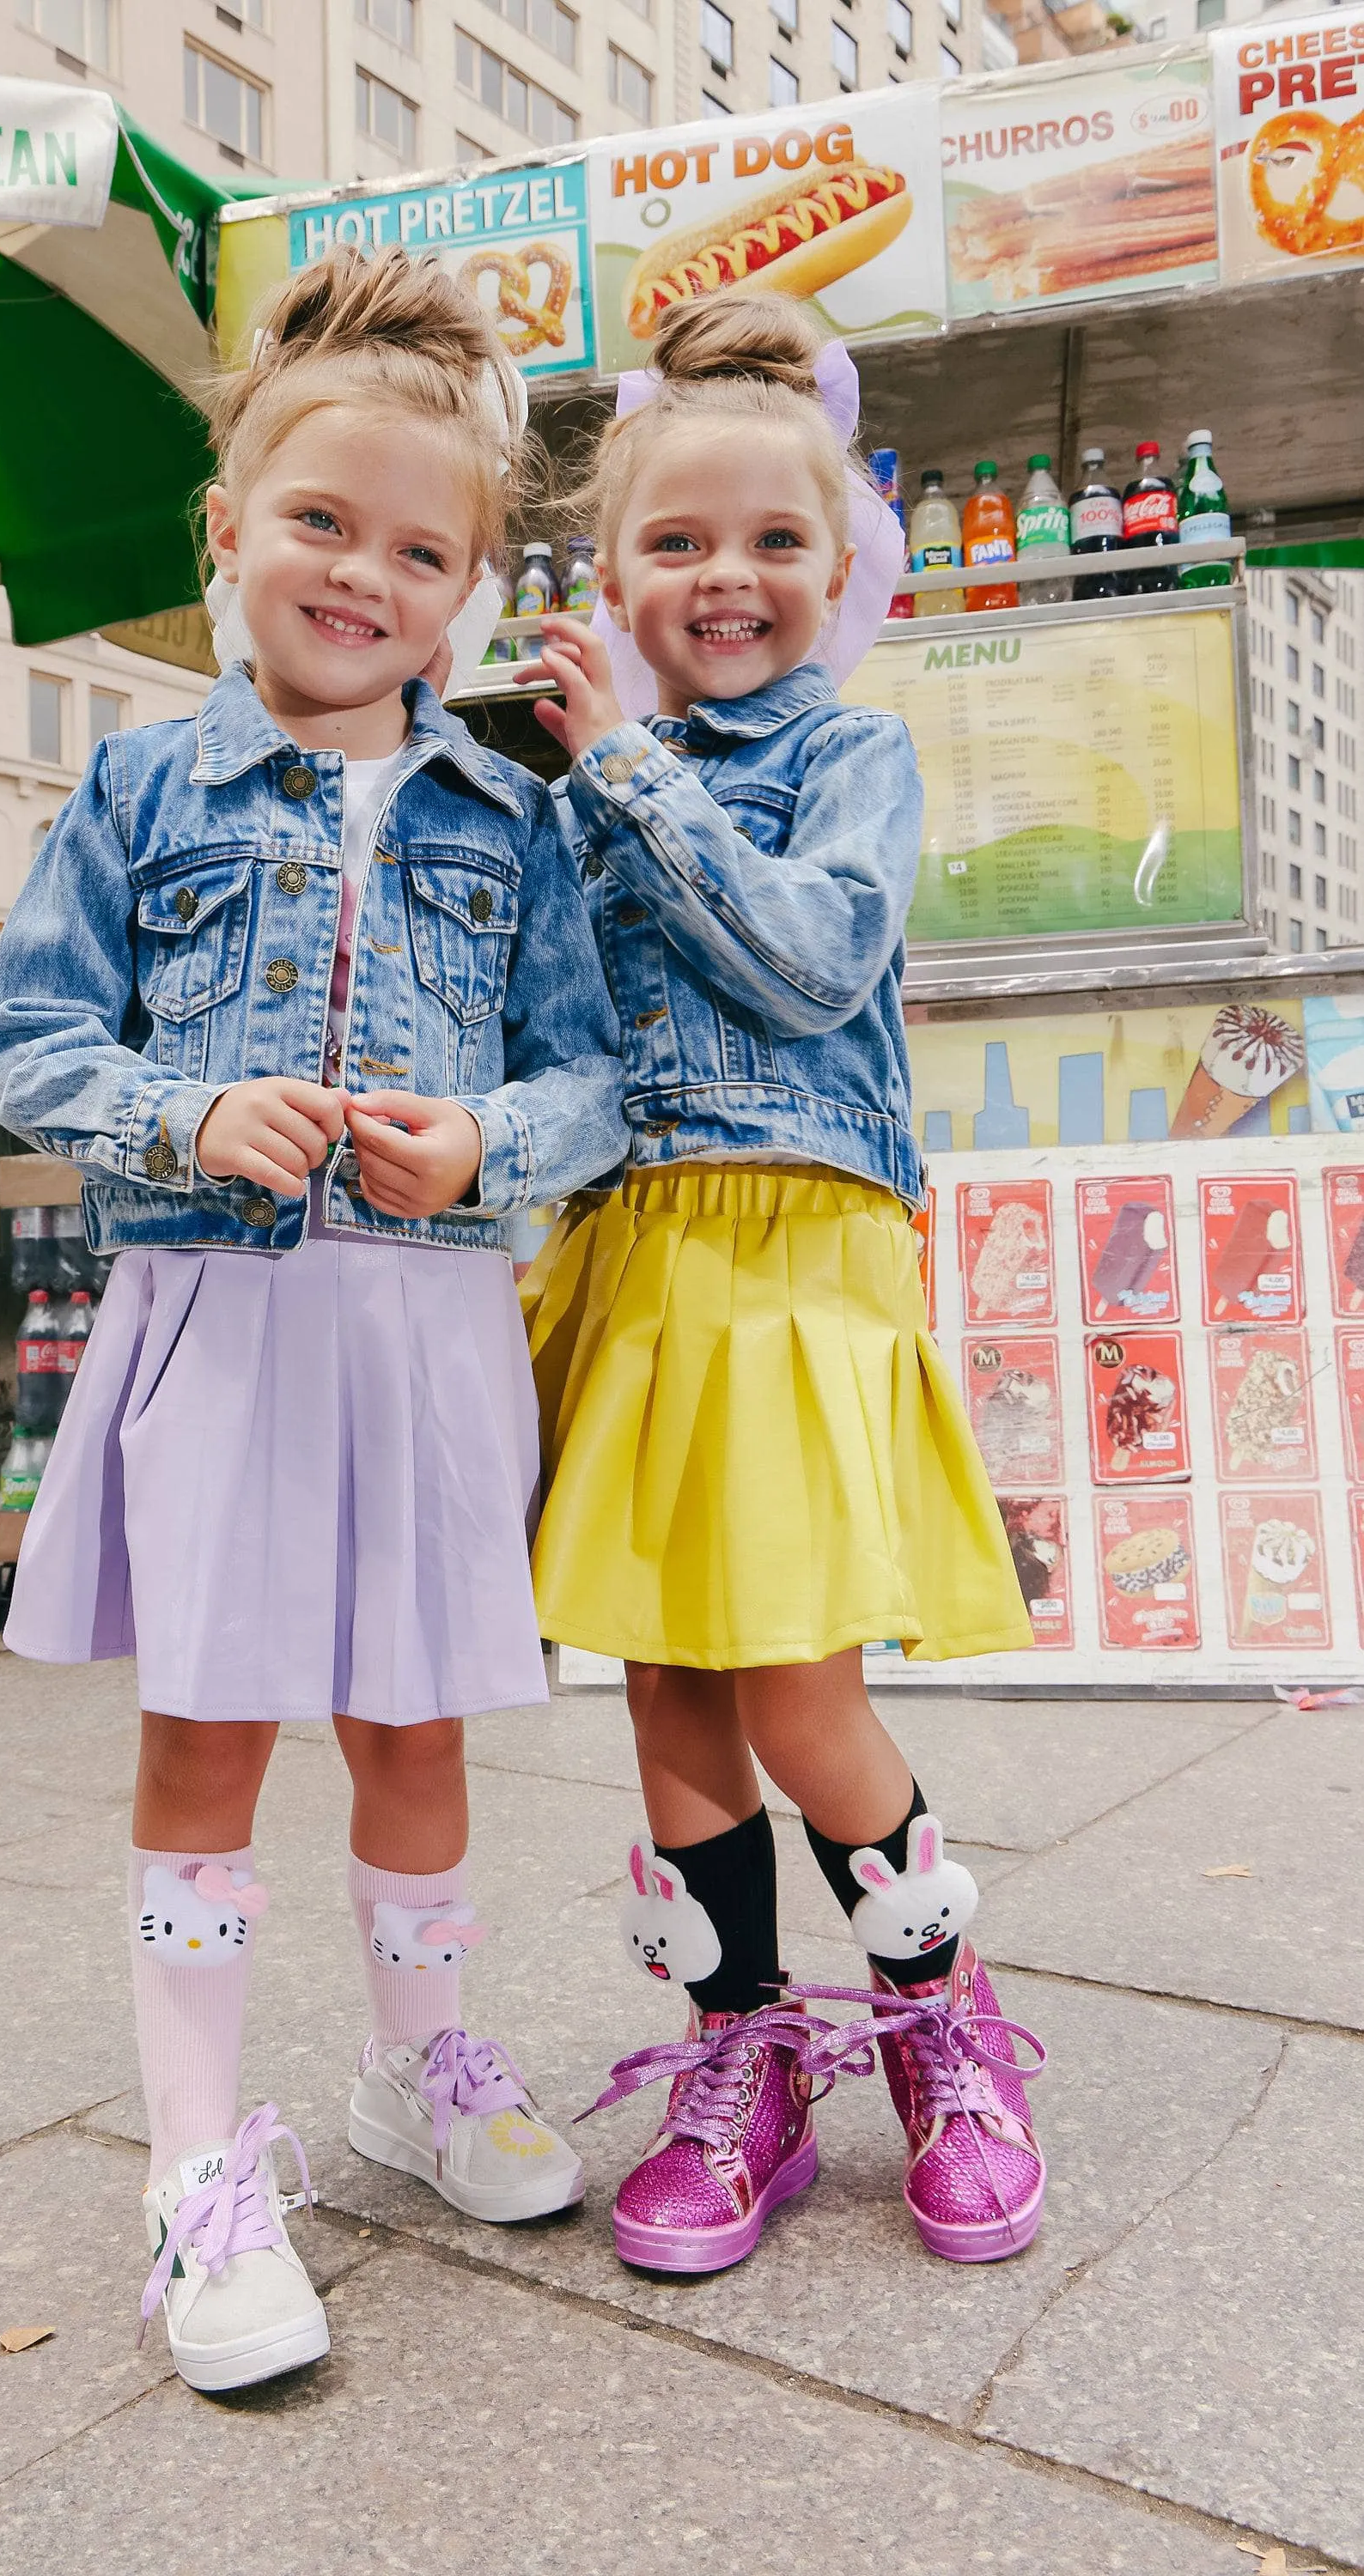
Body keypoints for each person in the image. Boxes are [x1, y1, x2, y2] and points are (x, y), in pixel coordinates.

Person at [0, 247, 626, 2392]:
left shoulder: (515, 813)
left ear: (470, 595)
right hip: (223, 1323)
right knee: (211, 1730)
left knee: (418, 1724)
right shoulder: (137, 795)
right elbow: (26, 1037)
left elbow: (589, 1081)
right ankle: (192, 2166)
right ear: (227, 524)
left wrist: (486, 1143)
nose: (363, 574)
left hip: (424, 1337)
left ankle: (418, 2067)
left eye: (420, 550)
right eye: (320, 520)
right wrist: (184, 1105)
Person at [515, 292, 1046, 2279]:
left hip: (797, 1253)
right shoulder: (563, 779)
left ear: (841, 571)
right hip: (633, 1252)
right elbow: (551, 1043)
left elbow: (817, 961)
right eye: (676, 543)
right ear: (610, 574)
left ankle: (941, 2018)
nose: (724, 577)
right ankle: (740, 2050)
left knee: (796, 1680)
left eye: (771, 543)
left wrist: (640, 776)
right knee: (664, 1673)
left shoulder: (851, 754)